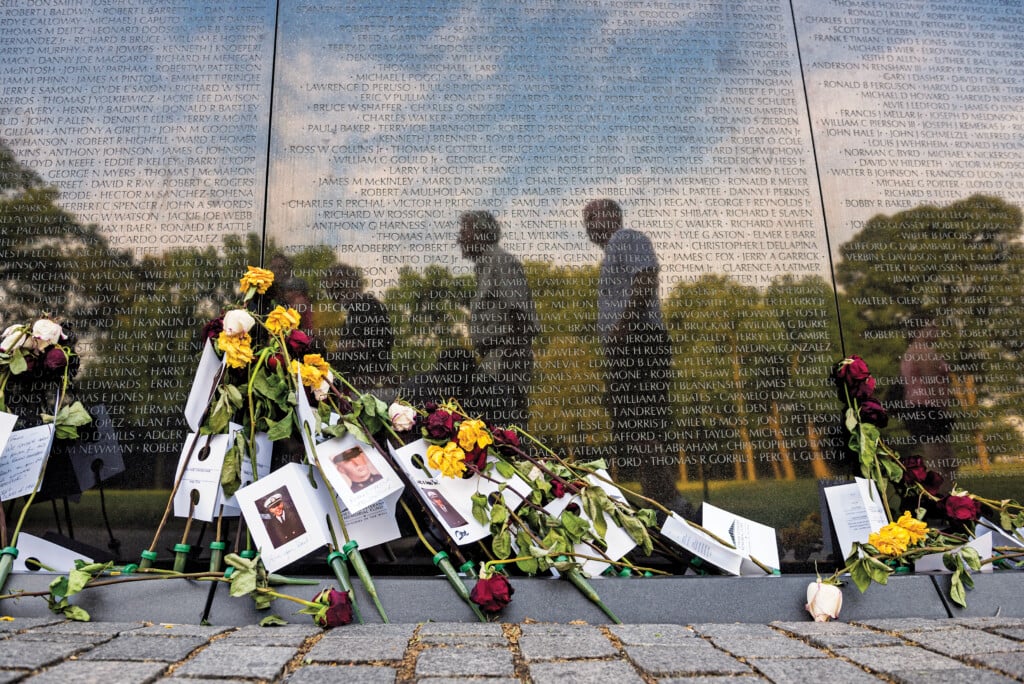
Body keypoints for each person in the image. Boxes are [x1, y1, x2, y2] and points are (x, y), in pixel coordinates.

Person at [583, 198, 692, 519]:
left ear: (613, 216)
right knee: (634, 428)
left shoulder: (627, 239)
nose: (587, 224)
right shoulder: (613, 253)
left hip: (638, 343)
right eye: (584, 219)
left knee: (642, 426)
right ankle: (659, 502)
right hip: (626, 347)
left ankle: (672, 506)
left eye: (593, 216)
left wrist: (623, 327)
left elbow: (646, 278)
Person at [458, 211, 539, 428]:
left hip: (506, 358)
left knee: (507, 423)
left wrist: (509, 365)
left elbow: (519, 311)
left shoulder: (500, 261)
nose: (459, 239)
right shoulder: (485, 266)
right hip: (496, 358)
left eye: (464, 232)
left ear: (480, 233)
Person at [899, 320, 956, 487]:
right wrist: (943, 407)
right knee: (942, 461)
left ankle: (943, 498)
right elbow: (932, 381)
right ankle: (943, 500)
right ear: (919, 330)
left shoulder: (910, 352)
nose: (936, 332)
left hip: (920, 408)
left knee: (941, 459)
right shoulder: (923, 352)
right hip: (929, 409)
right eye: (931, 328)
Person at [324, 264, 395, 389]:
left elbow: (380, 344)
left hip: (370, 385)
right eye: (331, 292)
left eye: (340, 287)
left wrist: (342, 348)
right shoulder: (351, 314)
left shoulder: (370, 306)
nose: (337, 294)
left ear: (355, 284)